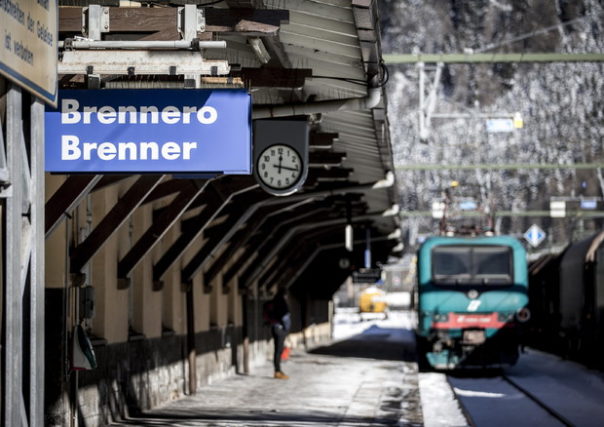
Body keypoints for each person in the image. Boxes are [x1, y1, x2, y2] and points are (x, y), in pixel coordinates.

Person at [264, 288, 291, 379]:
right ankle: (277, 371)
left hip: (274, 327)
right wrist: (286, 329)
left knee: (277, 350)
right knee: (278, 350)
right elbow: (285, 317)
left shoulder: (273, 302)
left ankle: (278, 370)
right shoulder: (281, 303)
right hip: (280, 329)